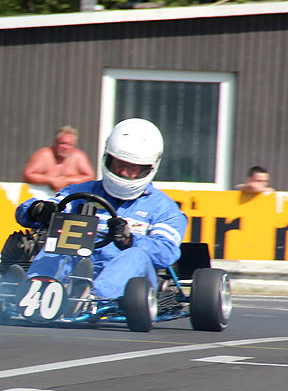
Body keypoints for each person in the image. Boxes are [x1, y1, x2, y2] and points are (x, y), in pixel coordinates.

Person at [15, 118, 187, 304]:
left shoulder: (163, 208)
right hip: (78, 265)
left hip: (132, 283)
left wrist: (130, 240)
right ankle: (38, 289)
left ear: (149, 168)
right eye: (119, 164)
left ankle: (92, 296)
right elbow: (29, 212)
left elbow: (167, 253)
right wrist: (38, 209)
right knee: (62, 239)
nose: (123, 173)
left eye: (132, 168)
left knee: (135, 254)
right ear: (108, 159)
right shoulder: (82, 192)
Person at [21, 125, 95, 192]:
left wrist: (67, 181)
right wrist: (51, 180)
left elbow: (90, 177)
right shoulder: (44, 155)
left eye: (70, 145)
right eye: (62, 143)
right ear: (55, 142)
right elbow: (28, 175)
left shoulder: (78, 156)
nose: (65, 147)